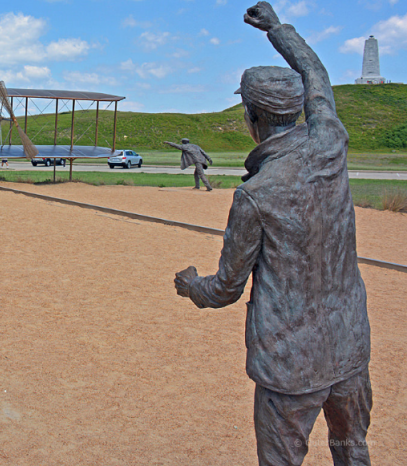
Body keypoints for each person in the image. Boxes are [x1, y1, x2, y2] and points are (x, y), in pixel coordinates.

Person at [173, 3, 372, 465]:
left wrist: (190, 286)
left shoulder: (256, 195)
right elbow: (317, 77)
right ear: (299, 109)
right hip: (348, 350)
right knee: (351, 448)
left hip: (288, 368)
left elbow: (225, 289)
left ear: (251, 117)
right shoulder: (330, 145)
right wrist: (277, 30)